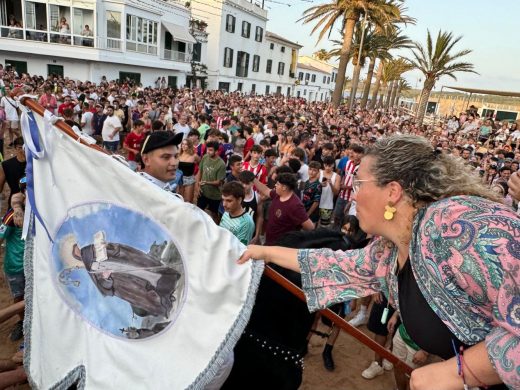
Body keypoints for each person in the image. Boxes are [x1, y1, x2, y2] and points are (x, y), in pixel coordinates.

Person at [239, 135, 518, 390]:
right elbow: (335, 265)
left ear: (393, 192)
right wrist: (264, 252)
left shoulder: (460, 224)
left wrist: (461, 372)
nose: (353, 192)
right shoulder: (392, 248)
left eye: (359, 184)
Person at [251, 171, 314, 246]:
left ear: (284, 187)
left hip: (282, 247)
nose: (275, 185)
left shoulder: (295, 205)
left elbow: (310, 227)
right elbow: (266, 190)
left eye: (277, 184)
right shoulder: (278, 195)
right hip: (270, 242)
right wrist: (253, 179)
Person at [195, 141, 226, 222]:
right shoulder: (205, 157)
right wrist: (198, 186)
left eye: (210, 150)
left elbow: (219, 182)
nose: (208, 152)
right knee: (198, 212)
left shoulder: (221, 164)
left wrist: (206, 182)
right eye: (207, 150)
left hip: (215, 195)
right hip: (203, 192)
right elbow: (199, 172)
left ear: (216, 151)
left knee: (214, 215)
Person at [219, 181, 255, 246]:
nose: (224, 204)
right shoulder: (227, 211)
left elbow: (239, 250)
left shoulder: (246, 223)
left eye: (229, 201)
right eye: (223, 200)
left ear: (239, 200)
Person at [0, 137, 26, 207]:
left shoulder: (35, 165)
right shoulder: (6, 165)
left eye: (25, 148)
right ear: (15, 148)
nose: (23, 151)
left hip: (32, 204)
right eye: (20, 148)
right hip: (15, 205)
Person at [178, 138, 200, 203]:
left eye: (186, 144)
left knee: (188, 200)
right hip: (180, 180)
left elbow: (200, 165)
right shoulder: (178, 155)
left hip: (189, 179)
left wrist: (197, 175)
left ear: (189, 146)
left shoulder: (194, 156)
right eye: (183, 144)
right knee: (180, 199)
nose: (183, 146)